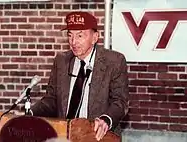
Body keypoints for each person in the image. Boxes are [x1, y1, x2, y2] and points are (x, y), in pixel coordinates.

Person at [31, 11, 129, 141]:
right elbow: (52, 99)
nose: (73, 42)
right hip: (64, 135)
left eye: (80, 36)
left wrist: (106, 120)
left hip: (98, 136)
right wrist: (30, 113)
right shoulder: (61, 61)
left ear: (95, 37)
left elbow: (120, 102)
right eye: (70, 35)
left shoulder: (114, 61)